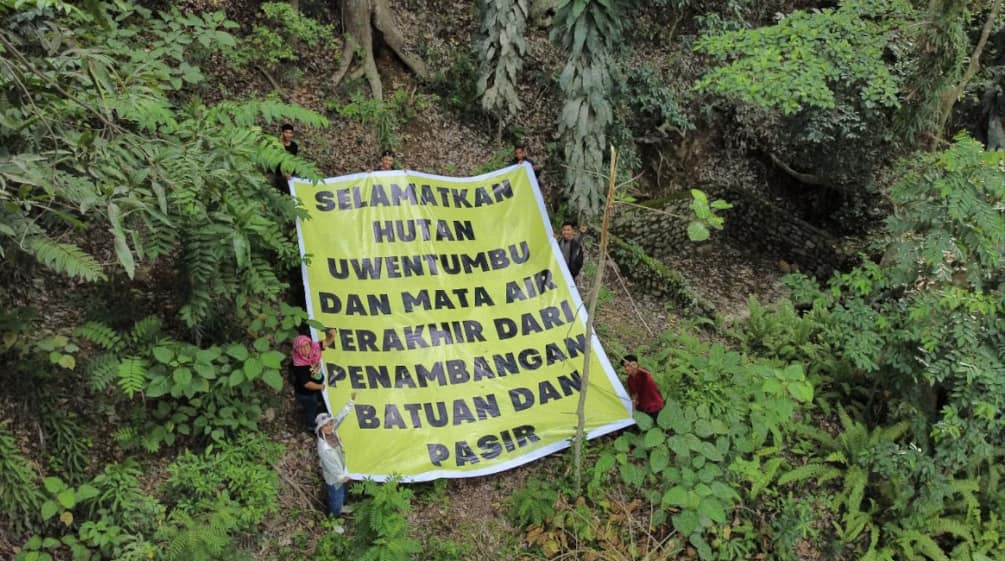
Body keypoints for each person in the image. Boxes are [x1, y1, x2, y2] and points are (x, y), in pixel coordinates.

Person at [315, 393, 356, 527]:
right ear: (320, 428)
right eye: (326, 425)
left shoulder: (332, 431)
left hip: (342, 472)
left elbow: (339, 418)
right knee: (335, 499)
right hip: (335, 478)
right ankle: (333, 521)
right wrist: (341, 476)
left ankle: (341, 508)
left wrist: (350, 402)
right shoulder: (324, 448)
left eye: (330, 424)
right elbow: (330, 465)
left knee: (343, 494)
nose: (329, 426)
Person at [291, 329, 336, 433]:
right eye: (302, 347)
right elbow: (307, 384)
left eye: (307, 345)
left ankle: (319, 411)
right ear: (297, 349)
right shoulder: (299, 365)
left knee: (317, 403)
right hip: (306, 394)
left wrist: (332, 335)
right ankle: (312, 427)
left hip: (315, 389)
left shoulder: (314, 348)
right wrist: (321, 387)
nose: (306, 349)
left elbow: (327, 342)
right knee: (311, 409)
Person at [622, 354, 664, 420]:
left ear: (635, 364)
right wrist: (633, 411)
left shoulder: (644, 374)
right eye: (625, 366)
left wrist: (637, 367)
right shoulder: (629, 380)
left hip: (655, 406)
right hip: (643, 408)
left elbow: (648, 373)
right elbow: (634, 395)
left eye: (628, 365)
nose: (626, 368)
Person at [274, 123, 299, 194]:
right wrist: (284, 173)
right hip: (279, 173)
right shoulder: (277, 145)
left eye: (290, 133)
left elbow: (293, 159)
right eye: (286, 132)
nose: (288, 135)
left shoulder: (294, 146)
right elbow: (276, 160)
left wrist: (290, 173)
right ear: (282, 133)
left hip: (290, 174)